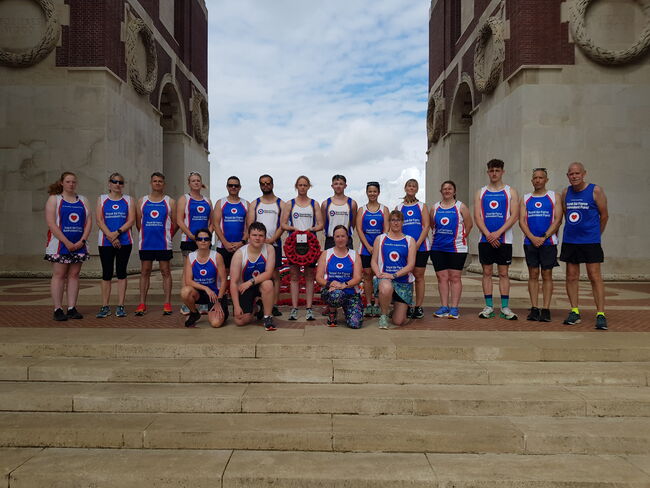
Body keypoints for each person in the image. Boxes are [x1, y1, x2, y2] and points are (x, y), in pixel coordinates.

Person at [560, 162, 609, 330]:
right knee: (571, 276)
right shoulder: (566, 192)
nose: (574, 176)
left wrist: (596, 234)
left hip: (590, 241)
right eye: (571, 174)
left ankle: (600, 314)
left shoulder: (596, 190)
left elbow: (604, 215)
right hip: (570, 241)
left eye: (577, 173)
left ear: (584, 174)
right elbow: (566, 214)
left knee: (594, 276)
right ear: (568, 176)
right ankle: (574, 311)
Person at [474, 159, 520, 320]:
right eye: (491, 170)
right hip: (485, 239)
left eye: (497, 170)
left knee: (503, 273)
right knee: (486, 272)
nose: (494, 173)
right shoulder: (481, 192)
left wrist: (498, 233)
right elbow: (478, 216)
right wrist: (488, 234)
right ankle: (488, 306)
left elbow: (514, 215)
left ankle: (505, 308)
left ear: (502, 172)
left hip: (504, 240)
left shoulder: (511, 191)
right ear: (488, 172)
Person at [45, 172, 92, 321]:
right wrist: (66, 242)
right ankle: (58, 308)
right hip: (60, 245)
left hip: (79, 244)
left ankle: (72, 307)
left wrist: (82, 241)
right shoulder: (54, 199)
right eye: (68, 181)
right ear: (62, 183)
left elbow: (89, 221)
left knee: (74, 275)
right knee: (59, 275)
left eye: (73, 182)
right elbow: (51, 223)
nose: (71, 184)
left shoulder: (83, 200)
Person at [519, 168, 562, 322]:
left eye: (540, 177)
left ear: (546, 180)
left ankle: (546, 309)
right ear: (532, 180)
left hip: (548, 242)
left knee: (547, 274)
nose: (537, 180)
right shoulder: (525, 198)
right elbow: (522, 221)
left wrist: (543, 237)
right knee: (533, 274)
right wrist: (532, 237)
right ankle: (534, 307)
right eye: (535, 178)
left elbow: (558, 220)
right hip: (530, 242)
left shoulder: (553, 196)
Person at [281, 175, 324, 321]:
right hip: (294, 245)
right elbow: (283, 224)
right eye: (300, 185)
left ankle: (309, 308)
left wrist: (310, 229)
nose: (302, 187)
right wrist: (294, 228)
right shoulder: (290, 204)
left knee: (310, 276)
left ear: (309, 187)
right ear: (296, 186)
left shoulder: (314, 204)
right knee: (294, 276)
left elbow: (320, 224)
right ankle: (294, 308)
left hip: (310, 244)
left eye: (305, 185)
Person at [429, 180, 473, 319]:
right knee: (442, 278)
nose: (447, 191)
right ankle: (444, 306)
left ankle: (454, 308)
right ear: (441, 191)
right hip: (437, 248)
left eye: (450, 189)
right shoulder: (435, 208)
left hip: (456, 249)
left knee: (455, 277)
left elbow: (469, 225)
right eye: (444, 189)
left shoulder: (461, 207)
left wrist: (460, 238)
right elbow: (432, 225)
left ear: (454, 191)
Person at [135, 172, 176, 316]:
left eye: (160, 181)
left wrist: (168, 236)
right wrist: (146, 234)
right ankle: (142, 303)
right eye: (155, 181)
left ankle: (167, 303)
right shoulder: (142, 201)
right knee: (145, 271)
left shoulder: (169, 201)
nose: (157, 183)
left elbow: (175, 222)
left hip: (163, 243)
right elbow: (138, 223)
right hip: (146, 243)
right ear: (151, 183)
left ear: (164, 184)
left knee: (166, 272)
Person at [95, 172, 135, 318]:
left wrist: (117, 233)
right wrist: (111, 236)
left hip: (124, 241)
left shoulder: (129, 200)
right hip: (106, 242)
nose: (117, 184)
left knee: (121, 272)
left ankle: (120, 306)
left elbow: (131, 220)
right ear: (109, 183)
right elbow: (99, 220)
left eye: (120, 182)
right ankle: (105, 306)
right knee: (106, 273)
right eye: (114, 182)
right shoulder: (102, 199)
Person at [371, 210, 416, 329]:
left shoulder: (409, 240)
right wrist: (379, 274)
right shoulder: (380, 239)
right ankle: (384, 315)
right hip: (385, 279)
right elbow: (373, 261)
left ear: (402, 222)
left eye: (398, 220)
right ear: (389, 222)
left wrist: (394, 275)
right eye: (393, 220)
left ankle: (397, 307)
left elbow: (411, 265)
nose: (396, 223)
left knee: (398, 321)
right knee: (386, 288)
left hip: (403, 282)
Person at [247, 174, 284, 317]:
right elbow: (251, 224)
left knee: (275, 275)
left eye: (268, 183)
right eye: (263, 184)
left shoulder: (281, 203)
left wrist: (272, 239)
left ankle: (274, 305)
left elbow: (283, 224)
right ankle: (259, 303)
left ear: (272, 184)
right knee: (259, 273)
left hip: (274, 244)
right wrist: (258, 240)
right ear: (260, 185)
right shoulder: (255, 203)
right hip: (257, 245)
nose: (266, 186)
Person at [176, 172, 213, 315]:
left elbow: (212, 222)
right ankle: (187, 303)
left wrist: (207, 237)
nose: (196, 182)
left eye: (198, 180)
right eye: (193, 181)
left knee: (204, 270)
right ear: (189, 183)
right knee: (187, 272)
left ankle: (203, 302)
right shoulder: (184, 199)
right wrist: (193, 236)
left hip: (204, 242)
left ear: (201, 183)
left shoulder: (207, 201)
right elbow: (179, 220)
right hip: (189, 241)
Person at [230, 222, 277, 331]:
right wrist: (236, 306)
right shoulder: (239, 254)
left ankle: (268, 317)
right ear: (249, 237)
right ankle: (257, 307)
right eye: (254, 235)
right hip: (244, 288)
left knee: (268, 283)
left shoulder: (269, 249)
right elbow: (233, 282)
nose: (257, 238)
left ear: (265, 237)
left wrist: (249, 282)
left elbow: (269, 273)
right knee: (240, 321)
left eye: (261, 236)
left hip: (257, 284)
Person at [315, 225, 363, 328]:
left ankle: (347, 309)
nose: (340, 239)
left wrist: (344, 285)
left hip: (350, 292)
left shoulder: (355, 255)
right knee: (337, 295)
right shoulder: (326, 254)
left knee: (355, 324)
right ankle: (332, 313)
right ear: (333, 238)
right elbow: (318, 278)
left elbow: (358, 278)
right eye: (337, 236)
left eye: (343, 236)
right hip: (332, 291)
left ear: (347, 237)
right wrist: (330, 283)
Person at [396, 179, 430, 319]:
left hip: (421, 247)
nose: (411, 188)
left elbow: (426, 226)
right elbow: (396, 227)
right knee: (406, 277)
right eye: (409, 186)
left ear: (417, 189)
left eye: (414, 186)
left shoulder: (422, 206)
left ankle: (418, 306)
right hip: (404, 248)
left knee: (419, 277)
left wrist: (416, 245)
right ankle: (407, 305)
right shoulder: (399, 207)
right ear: (405, 188)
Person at [180, 228, 228, 327]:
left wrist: (219, 300)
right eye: (200, 239)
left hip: (215, 295)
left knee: (216, 323)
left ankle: (223, 310)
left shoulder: (217, 256)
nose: (203, 241)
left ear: (210, 241)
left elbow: (224, 281)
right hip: (199, 293)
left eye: (206, 239)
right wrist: (206, 288)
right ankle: (194, 313)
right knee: (185, 291)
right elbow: (188, 281)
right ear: (196, 241)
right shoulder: (191, 257)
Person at [355, 181, 389, 317]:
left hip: (380, 249)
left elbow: (386, 229)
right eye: (370, 191)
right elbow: (359, 229)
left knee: (379, 276)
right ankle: (369, 304)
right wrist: (368, 246)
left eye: (375, 191)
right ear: (366, 192)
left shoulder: (384, 209)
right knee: (368, 276)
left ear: (378, 193)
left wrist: (378, 247)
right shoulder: (362, 210)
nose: (372, 194)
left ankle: (377, 304)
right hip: (365, 249)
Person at [213, 175, 248, 277]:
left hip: (241, 246)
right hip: (223, 246)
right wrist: (225, 243)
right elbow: (215, 224)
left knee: (240, 274)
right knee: (223, 275)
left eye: (236, 186)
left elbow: (250, 226)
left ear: (240, 187)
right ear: (227, 187)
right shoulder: (220, 203)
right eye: (230, 185)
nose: (233, 187)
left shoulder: (246, 204)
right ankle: (224, 293)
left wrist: (241, 242)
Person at [321, 174, 357, 250]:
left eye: (341, 184)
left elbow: (353, 223)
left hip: (347, 240)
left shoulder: (352, 203)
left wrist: (345, 234)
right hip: (330, 240)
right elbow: (323, 223)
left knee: (348, 262)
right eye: (336, 184)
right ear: (332, 186)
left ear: (345, 186)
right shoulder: (325, 204)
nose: (338, 186)